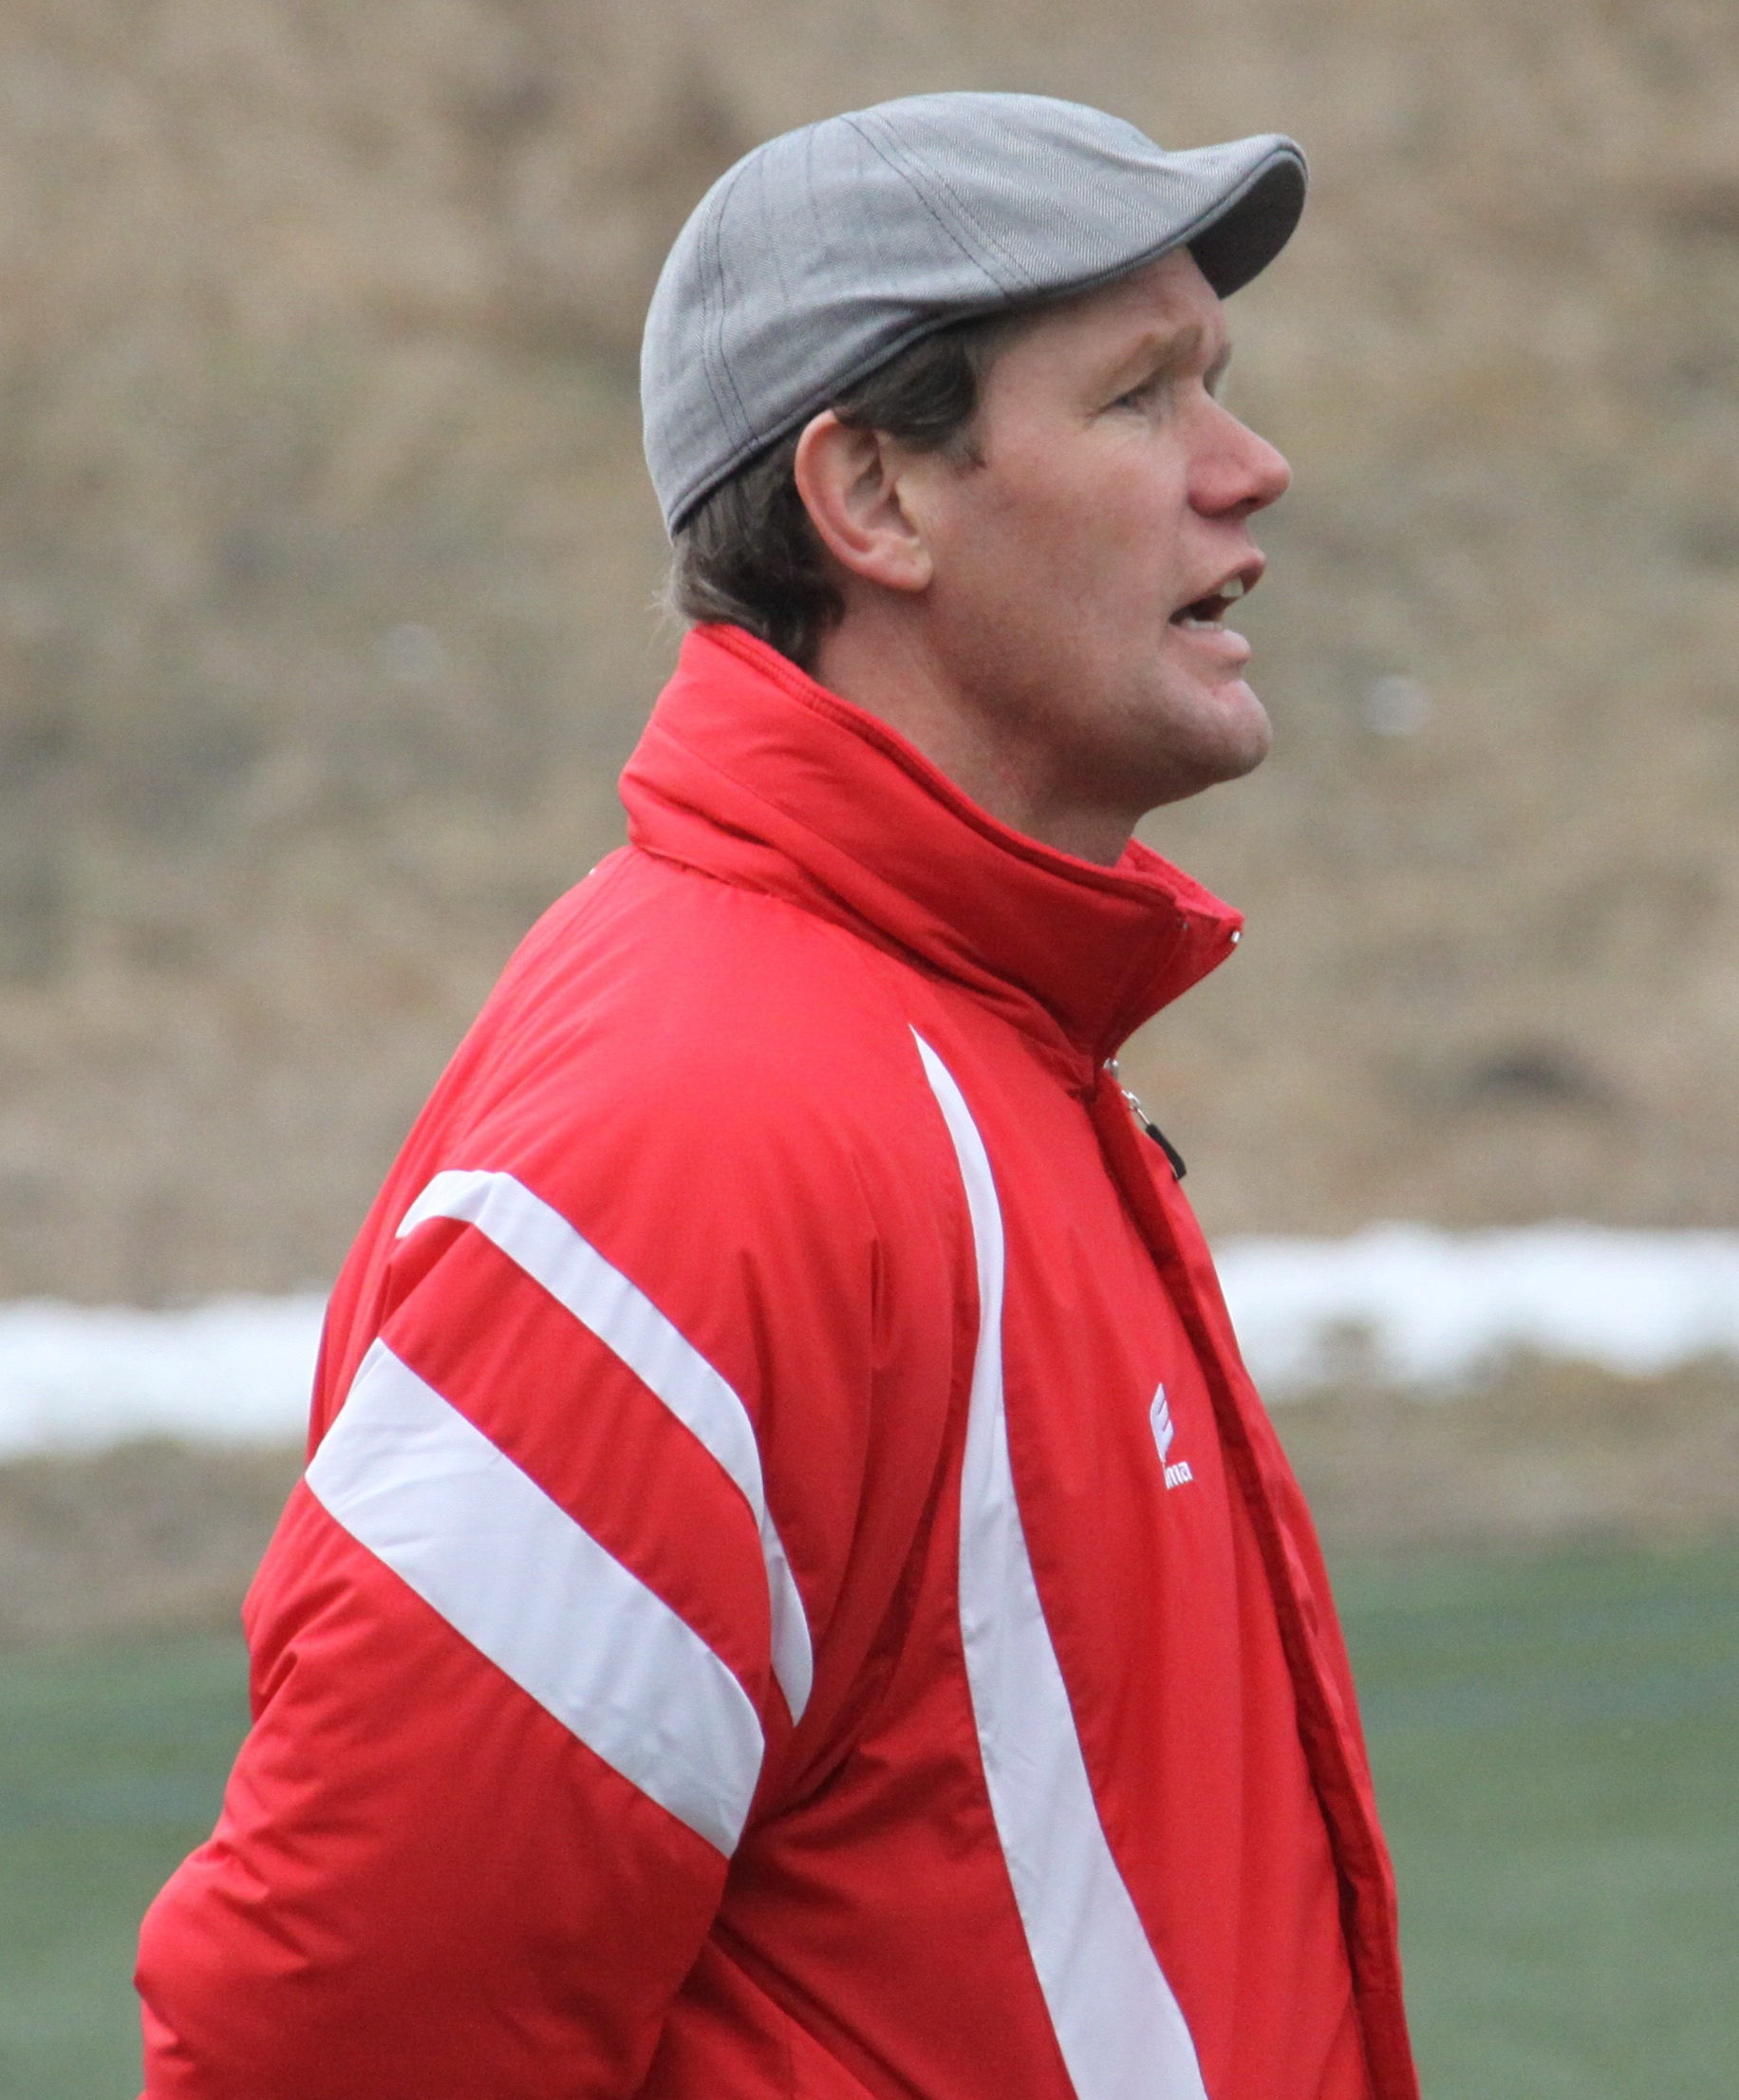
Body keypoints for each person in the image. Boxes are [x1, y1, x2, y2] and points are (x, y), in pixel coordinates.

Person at [137, 92, 1417, 2100]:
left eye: (1218, 383)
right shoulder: (710, 1130)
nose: (1248, 468)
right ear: (872, 497)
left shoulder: (964, 1038)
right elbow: (343, 2036)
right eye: (1140, 396)